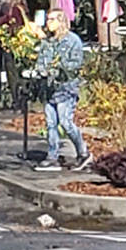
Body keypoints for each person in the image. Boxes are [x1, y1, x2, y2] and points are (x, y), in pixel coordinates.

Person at [32, 9, 92, 172]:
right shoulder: (48, 42)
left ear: (61, 21)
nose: (48, 23)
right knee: (51, 124)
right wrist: (40, 71)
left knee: (66, 122)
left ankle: (83, 152)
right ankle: (52, 156)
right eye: (48, 19)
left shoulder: (73, 41)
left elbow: (76, 65)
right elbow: (41, 61)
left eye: (52, 19)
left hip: (66, 89)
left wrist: (59, 69)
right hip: (49, 90)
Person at [0, 0, 31, 116]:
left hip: (12, 46)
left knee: (13, 75)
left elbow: (9, 25)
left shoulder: (12, 10)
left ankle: (17, 101)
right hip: (23, 47)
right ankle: (23, 100)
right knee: (22, 74)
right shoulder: (24, 9)